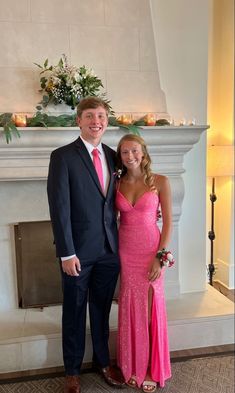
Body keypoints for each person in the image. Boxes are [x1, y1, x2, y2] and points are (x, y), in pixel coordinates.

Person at [47, 97, 125, 393]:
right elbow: (60, 208)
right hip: (76, 253)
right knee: (75, 311)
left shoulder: (113, 156)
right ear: (78, 120)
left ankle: (103, 362)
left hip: (109, 251)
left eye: (102, 115)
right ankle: (72, 370)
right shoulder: (63, 156)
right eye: (90, 115)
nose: (97, 121)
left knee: (102, 310)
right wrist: (66, 252)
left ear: (107, 121)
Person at [115, 134, 173, 392]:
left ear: (143, 152)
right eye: (125, 152)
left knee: (150, 309)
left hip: (151, 250)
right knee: (131, 307)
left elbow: (168, 222)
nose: (130, 156)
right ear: (120, 156)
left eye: (134, 151)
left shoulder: (160, 181)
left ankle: (150, 368)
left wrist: (160, 258)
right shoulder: (116, 184)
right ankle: (132, 364)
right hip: (125, 251)